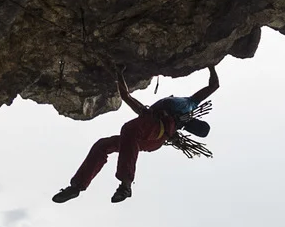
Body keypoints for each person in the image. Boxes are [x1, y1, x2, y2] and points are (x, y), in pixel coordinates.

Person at [52, 66, 219, 204]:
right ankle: (76, 187)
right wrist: (119, 75)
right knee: (103, 145)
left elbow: (213, 86)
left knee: (129, 130)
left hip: (154, 129)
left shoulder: (187, 105)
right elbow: (126, 95)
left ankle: (125, 184)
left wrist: (211, 66)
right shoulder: (153, 112)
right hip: (150, 140)